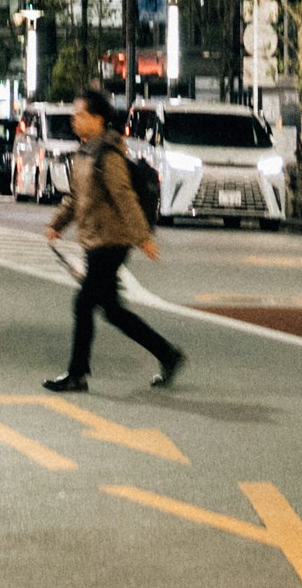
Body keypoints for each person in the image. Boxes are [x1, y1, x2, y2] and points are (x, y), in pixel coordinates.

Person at [42, 86, 182, 394]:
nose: (74, 120)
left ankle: (77, 374)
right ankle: (168, 355)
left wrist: (142, 237)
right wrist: (57, 224)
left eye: (80, 114)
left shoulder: (108, 154)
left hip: (112, 241)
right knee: (113, 311)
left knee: (83, 304)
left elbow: (124, 196)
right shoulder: (85, 152)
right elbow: (76, 197)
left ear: (97, 118)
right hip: (94, 240)